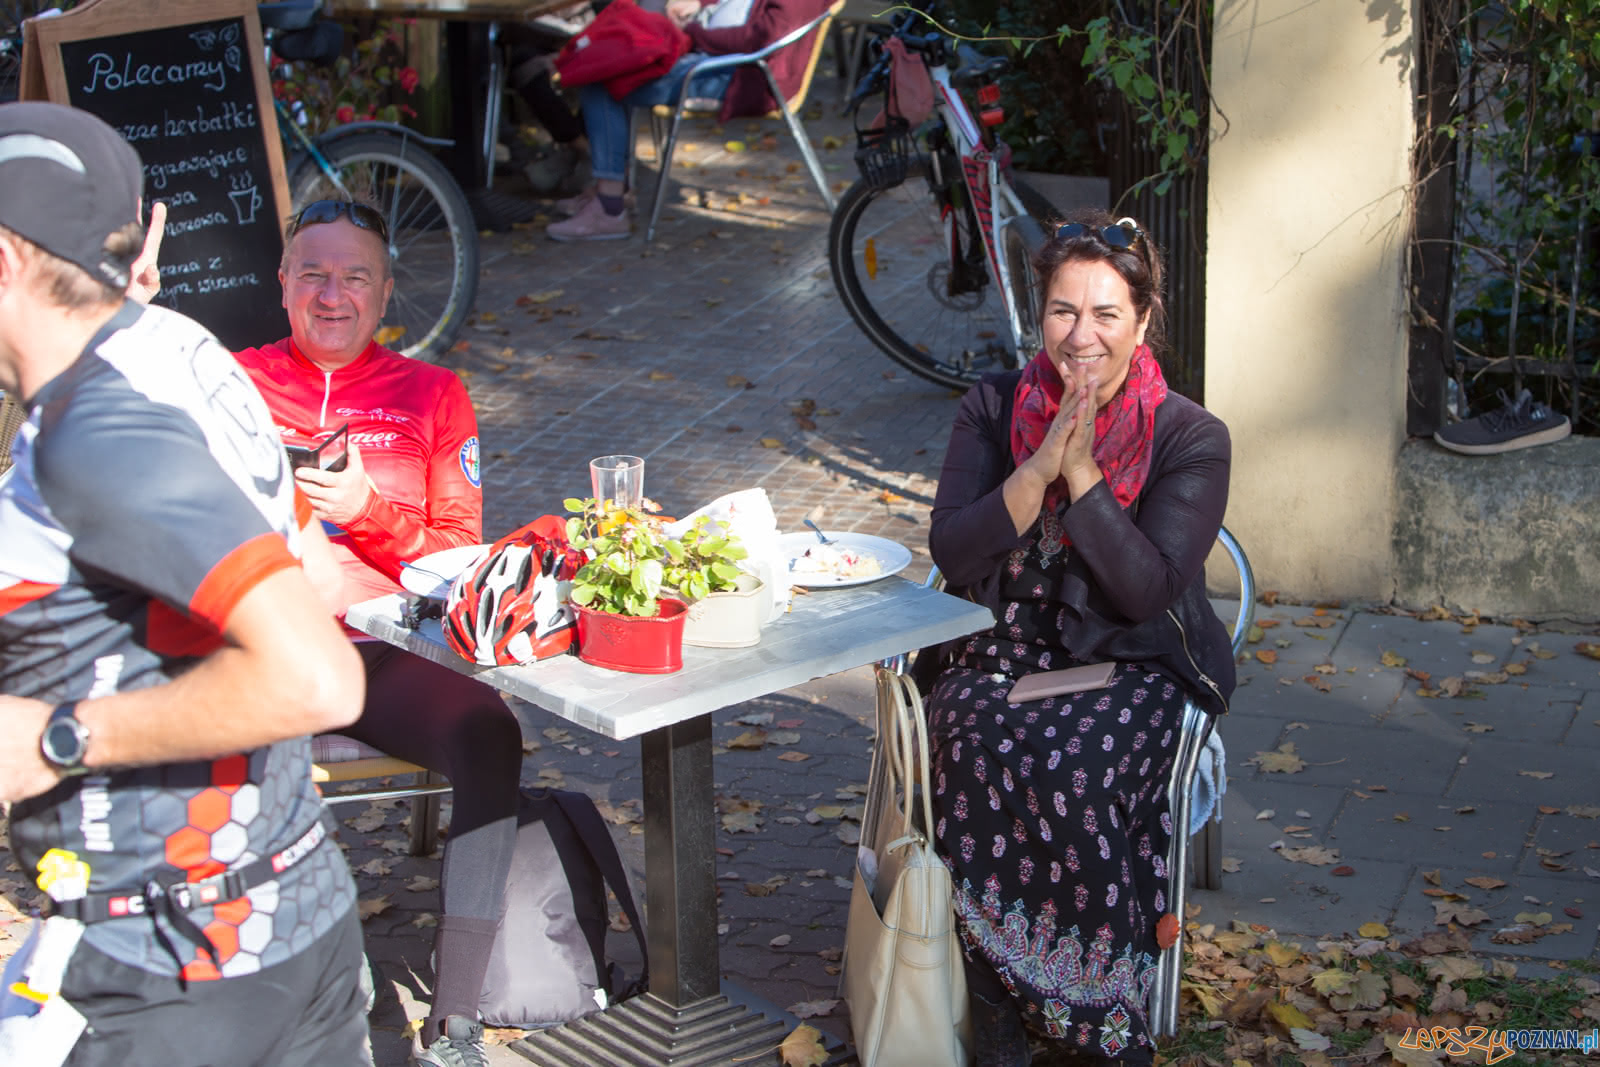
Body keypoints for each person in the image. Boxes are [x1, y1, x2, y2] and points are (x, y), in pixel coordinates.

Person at [0, 102, 370, 1064]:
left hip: (171, 965)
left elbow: (319, 678)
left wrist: (59, 734)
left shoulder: (101, 432)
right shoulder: (183, 353)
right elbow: (315, 569)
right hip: (285, 921)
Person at [925, 210, 1235, 1065]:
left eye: (1106, 313)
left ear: (1143, 320)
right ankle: (995, 1003)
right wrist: (1034, 471)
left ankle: (1093, 1017)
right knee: (969, 736)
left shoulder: (1192, 438)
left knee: (1073, 763)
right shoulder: (992, 407)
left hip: (1132, 662)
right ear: (1040, 316)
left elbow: (1143, 589)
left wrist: (1084, 473)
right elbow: (952, 548)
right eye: (1064, 311)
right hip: (1003, 648)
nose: (1082, 335)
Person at [237, 199, 522, 1067]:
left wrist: (366, 510)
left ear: (386, 290)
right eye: (313, 273)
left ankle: (458, 1021)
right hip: (261, 648)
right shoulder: (228, 379)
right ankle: (254, 1005)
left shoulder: (432, 393)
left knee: (488, 729)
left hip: (381, 652)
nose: (333, 294)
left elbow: (460, 559)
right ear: (281, 284)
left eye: (354, 276)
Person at [546, 0, 830, 241]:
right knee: (616, 55)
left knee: (602, 79)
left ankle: (609, 207)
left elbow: (765, 37)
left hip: (742, 75)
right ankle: (614, 190)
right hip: (719, 61)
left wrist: (694, 33)